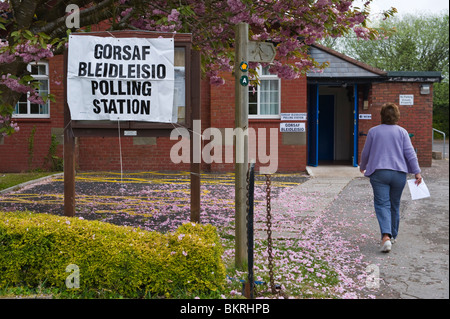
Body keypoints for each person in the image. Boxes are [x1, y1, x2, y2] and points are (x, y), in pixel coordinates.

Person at [359, 102, 422, 253]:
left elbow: (366, 152)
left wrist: (363, 166)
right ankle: (393, 236)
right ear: (397, 116)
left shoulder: (373, 131)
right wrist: (417, 172)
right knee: (395, 204)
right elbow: (410, 154)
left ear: (381, 115)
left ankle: (386, 237)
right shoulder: (402, 132)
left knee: (382, 205)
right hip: (399, 173)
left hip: (379, 173)